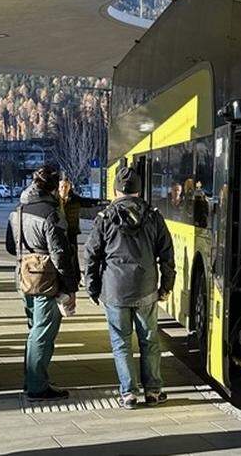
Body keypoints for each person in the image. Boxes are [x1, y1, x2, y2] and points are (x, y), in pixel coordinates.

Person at [85, 166, 175, 410]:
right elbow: (167, 255)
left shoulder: (105, 218)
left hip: (114, 290)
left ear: (116, 190)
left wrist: (92, 288)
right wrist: (166, 287)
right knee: (150, 341)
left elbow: (92, 255)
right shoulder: (153, 216)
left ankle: (128, 393)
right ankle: (154, 391)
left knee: (121, 342)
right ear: (138, 190)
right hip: (146, 288)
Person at [7, 165, 79, 401]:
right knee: (43, 331)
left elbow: (10, 246)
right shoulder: (50, 213)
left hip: (23, 275)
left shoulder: (18, 210)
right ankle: (37, 385)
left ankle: (31, 380)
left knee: (33, 329)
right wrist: (69, 286)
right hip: (46, 279)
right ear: (53, 188)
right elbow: (59, 253)